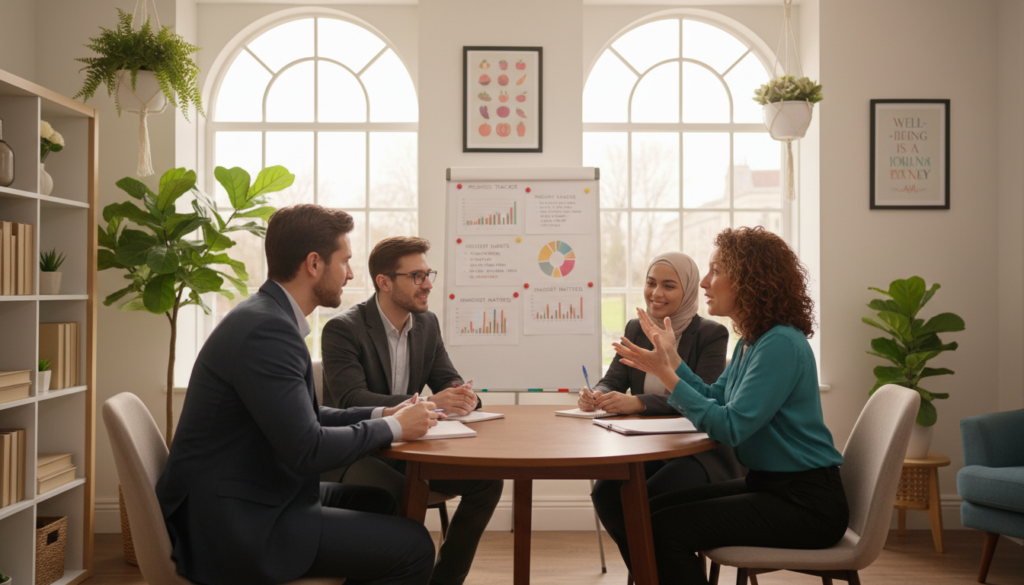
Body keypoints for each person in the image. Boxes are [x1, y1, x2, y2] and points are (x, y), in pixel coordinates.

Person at [156, 205, 442, 585]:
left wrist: (384, 414)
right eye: (345, 261)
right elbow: (307, 449)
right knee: (415, 546)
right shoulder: (267, 331)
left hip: (248, 492)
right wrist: (393, 427)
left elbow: (306, 414)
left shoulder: (269, 317)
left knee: (382, 502)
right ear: (313, 263)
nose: (352, 274)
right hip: (235, 522)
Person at [612, 226, 849, 585]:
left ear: (751, 279)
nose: (705, 282)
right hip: (770, 486)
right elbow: (716, 398)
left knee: (662, 528)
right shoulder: (752, 341)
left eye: (716, 270)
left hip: (806, 503)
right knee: (646, 512)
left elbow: (730, 426)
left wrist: (669, 376)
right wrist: (672, 360)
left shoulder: (780, 343)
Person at [321, 236, 503, 585]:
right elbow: (351, 400)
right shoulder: (343, 330)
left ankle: (444, 580)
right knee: (401, 493)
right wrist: (431, 403)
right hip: (359, 452)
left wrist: (463, 395)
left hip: (410, 449)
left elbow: (446, 378)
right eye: (417, 276)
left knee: (488, 482)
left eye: (428, 274)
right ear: (384, 282)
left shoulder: (427, 324)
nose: (429, 284)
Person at [580, 252, 743, 565]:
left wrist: (639, 402)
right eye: (651, 283)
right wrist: (595, 395)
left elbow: (705, 396)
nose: (656, 293)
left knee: (648, 499)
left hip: (699, 451)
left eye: (669, 286)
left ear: (689, 291)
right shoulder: (637, 328)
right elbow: (612, 379)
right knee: (606, 493)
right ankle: (650, 572)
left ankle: (663, 571)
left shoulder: (711, 333)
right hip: (648, 446)